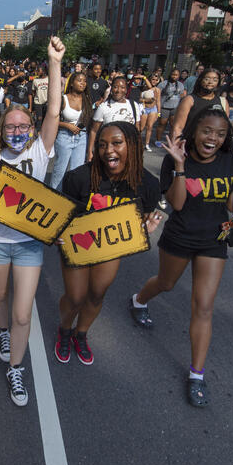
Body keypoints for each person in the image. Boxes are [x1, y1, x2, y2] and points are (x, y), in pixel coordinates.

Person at [128, 107, 233, 406]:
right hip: (180, 236)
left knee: (203, 307)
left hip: (214, 240)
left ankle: (197, 374)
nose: (212, 138)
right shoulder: (174, 157)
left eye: (220, 133)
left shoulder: (229, 160)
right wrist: (179, 166)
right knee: (165, 283)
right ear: (194, 132)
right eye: (207, 131)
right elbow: (176, 203)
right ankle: (139, 300)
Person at [0, 36, 64, 407]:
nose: (17, 131)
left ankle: (16, 367)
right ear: (1, 130)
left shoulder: (40, 150)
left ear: (31, 128)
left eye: (23, 125)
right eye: (10, 126)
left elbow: (54, 112)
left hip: (28, 244)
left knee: (23, 311)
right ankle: (2, 332)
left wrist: (54, 63)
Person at [56, 121, 162, 364]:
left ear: (133, 146)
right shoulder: (79, 177)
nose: (108, 151)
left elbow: (141, 221)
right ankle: (64, 330)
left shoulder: (148, 184)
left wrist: (144, 229)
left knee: (95, 294)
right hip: (77, 244)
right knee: (75, 296)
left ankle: (81, 335)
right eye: (102, 144)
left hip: (110, 248)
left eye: (117, 143)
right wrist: (58, 232)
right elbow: (63, 214)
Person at [48, 71, 93, 189]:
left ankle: (72, 197)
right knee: (60, 170)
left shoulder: (87, 99)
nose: (83, 83)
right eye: (79, 80)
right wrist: (67, 125)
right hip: (64, 137)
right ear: (72, 83)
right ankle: (54, 195)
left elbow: (90, 118)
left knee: (77, 171)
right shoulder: (63, 99)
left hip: (82, 137)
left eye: (84, 81)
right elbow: (51, 119)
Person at [86, 76, 142, 161]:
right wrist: (90, 152)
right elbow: (94, 131)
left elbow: (137, 129)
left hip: (129, 150)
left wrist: (138, 149)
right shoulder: (104, 107)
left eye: (122, 87)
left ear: (126, 90)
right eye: (115, 87)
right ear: (111, 89)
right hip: (109, 151)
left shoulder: (134, 105)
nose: (118, 90)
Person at [171, 68, 229, 140]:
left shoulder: (223, 102)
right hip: (188, 146)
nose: (210, 82)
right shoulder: (189, 100)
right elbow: (178, 127)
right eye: (207, 79)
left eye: (215, 80)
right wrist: (176, 146)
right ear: (200, 80)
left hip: (212, 146)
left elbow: (224, 129)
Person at [155, 68, 186, 145]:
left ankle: (171, 141)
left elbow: (182, 95)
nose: (174, 76)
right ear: (170, 75)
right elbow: (157, 95)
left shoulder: (180, 85)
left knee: (173, 125)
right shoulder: (163, 84)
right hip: (164, 107)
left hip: (175, 108)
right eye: (173, 74)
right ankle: (158, 140)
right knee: (162, 123)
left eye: (176, 75)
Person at [139, 74, 161, 151]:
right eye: (153, 79)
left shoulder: (157, 90)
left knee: (150, 127)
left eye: (156, 80)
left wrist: (159, 112)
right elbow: (139, 99)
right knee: (141, 127)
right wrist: (146, 100)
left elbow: (158, 101)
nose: (154, 81)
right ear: (150, 79)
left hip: (153, 109)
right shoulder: (144, 88)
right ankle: (137, 142)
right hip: (144, 109)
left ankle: (147, 144)